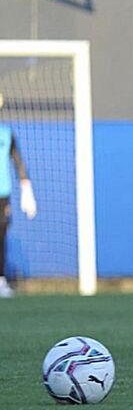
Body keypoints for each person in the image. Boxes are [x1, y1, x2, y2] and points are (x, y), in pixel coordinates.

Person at [0, 93, 37, 298]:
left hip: (2, 194)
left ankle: (0, 279)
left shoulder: (6, 133)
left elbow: (18, 162)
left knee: (1, 235)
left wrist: (26, 190)